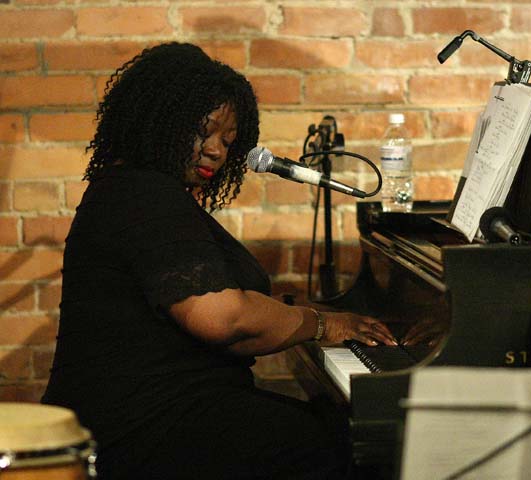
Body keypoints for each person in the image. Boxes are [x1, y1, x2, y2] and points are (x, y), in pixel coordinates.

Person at [42, 42, 397, 480]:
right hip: (142, 430)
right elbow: (224, 320)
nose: (216, 151)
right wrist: (322, 324)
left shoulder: (132, 191)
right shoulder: (145, 195)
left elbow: (228, 329)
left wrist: (296, 314)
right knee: (345, 447)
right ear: (160, 119)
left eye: (228, 141)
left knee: (334, 431)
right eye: (203, 132)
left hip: (161, 414)